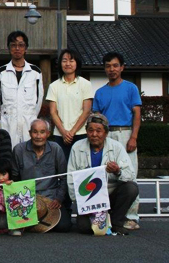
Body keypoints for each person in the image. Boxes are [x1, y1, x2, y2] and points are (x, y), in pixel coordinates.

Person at [92, 51, 142, 230]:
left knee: (129, 175)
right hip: (106, 135)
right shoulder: (100, 92)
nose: (111, 69)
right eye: (108, 66)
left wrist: (134, 137)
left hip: (125, 132)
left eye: (115, 65)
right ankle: (106, 215)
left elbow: (137, 114)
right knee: (106, 174)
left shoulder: (131, 88)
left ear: (122, 67)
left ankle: (131, 217)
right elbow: (96, 117)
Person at [68, 113, 138, 236]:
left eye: (98, 131)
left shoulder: (117, 147)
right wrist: (79, 202)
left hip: (111, 196)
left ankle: (116, 221)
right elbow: (70, 178)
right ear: (86, 131)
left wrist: (117, 171)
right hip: (88, 199)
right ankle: (101, 218)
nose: (94, 134)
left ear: (106, 133)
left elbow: (130, 174)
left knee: (131, 187)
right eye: (90, 130)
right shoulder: (77, 147)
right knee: (85, 228)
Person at [10, 119, 71, 233]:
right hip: (27, 198)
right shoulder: (19, 149)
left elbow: (64, 177)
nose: (38, 136)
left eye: (42, 132)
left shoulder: (55, 149)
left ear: (48, 134)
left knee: (64, 226)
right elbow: (15, 177)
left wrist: (59, 198)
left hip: (50, 198)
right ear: (29, 133)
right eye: (35, 132)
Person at [0, 31, 44, 148]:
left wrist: (30, 116)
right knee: (8, 156)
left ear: (26, 48)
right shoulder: (1, 73)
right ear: (9, 48)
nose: (17, 48)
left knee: (29, 156)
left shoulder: (36, 73)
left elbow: (38, 101)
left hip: (29, 123)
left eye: (21, 45)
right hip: (7, 124)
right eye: (13, 45)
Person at [46, 48, 93, 159]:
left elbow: (86, 111)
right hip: (60, 134)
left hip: (81, 133)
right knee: (62, 167)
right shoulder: (54, 86)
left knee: (80, 167)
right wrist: (63, 132)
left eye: (71, 60)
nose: (68, 64)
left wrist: (72, 132)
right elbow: (53, 112)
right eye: (64, 60)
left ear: (77, 63)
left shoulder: (86, 84)